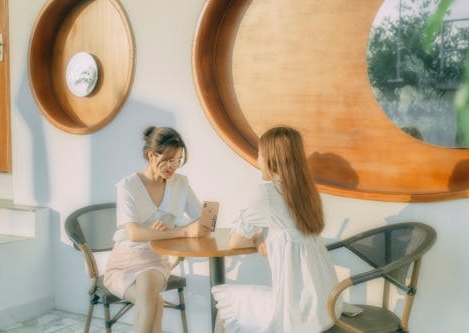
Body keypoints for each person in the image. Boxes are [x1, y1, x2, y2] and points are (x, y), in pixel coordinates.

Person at [212, 126, 343, 333]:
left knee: (225, 307)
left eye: (260, 153)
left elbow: (234, 241)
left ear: (271, 159)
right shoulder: (307, 193)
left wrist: (256, 240)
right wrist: (265, 238)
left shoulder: (267, 194)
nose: (258, 159)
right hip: (326, 304)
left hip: (297, 312)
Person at [104, 126, 209, 333]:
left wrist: (174, 229)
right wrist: (181, 231)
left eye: (178, 160)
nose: (174, 166)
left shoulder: (180, 183)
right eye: (169, 160)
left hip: (156, 260)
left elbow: (201, 221)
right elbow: (134, 234)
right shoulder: (127, 186)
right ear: (151, 155)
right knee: (155, 302)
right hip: (122, 263)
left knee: (147, 286)